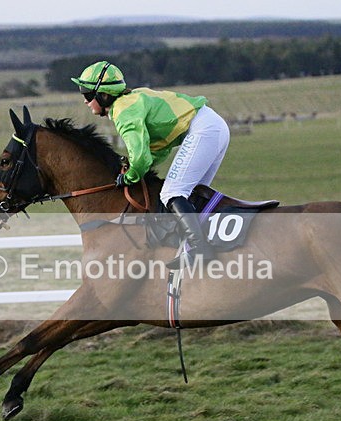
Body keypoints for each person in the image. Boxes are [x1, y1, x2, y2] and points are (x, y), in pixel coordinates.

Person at [71, 60, 230, 267]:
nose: (85, 101)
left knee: (172, 193)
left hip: (204, 129)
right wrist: (136, 169)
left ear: (104, 95)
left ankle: (200, 250)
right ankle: (200, 246)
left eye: (86, 94)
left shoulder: (124, 111)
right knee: (192, 194)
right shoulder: (132, 99)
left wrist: (129, 177)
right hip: (212, 126)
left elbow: (140, 157)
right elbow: (156, 151)